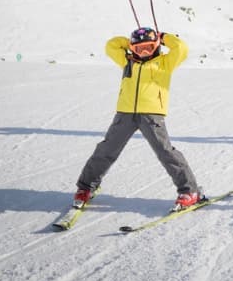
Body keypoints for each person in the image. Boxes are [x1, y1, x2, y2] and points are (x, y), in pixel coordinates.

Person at [72, 27, 202, 212]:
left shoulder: (165, 62)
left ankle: (190, 191)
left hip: (152, 115)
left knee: (165, 152)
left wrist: (163, 37)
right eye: (139, 48)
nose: (144, 52)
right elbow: (111, 46)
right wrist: (130, 41)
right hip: (125, 114)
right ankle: (85, 188)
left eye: (148, 47)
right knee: (106, 150)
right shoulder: (127, 62)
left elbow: (181, 48)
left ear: (156, 46)